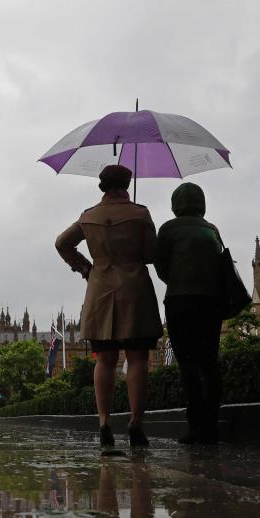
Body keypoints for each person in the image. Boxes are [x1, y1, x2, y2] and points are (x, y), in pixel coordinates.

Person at [55, 164, 162, 448]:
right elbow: (152, 254)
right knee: (137, 359)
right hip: (135, 290)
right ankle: (136, 424)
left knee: (105, 360)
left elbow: (62, 243)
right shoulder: (140, 213)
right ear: (126, 184)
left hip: (100, 291)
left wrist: (85, 268)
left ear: (102, 186)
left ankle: (104, 423)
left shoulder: (89, 216)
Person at [155, 183, 224, 444]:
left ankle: (195, 426)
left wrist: (178, 277)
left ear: (176, 204)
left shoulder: (168, 229)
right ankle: (212, 425)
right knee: (209, 362)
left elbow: (161, 268)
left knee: (187, 363)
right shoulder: (211, 229)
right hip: (211, 301)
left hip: (180, 300)